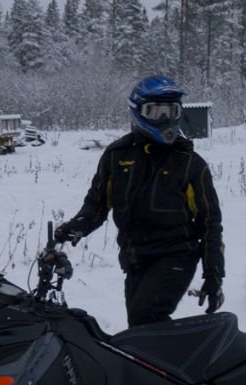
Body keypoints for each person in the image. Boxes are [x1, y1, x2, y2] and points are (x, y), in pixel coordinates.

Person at [55, 75, 224, 328]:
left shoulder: (190, 164)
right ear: (137, 112)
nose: (166, 119)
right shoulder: (116, 156)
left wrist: (213, 275)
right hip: (135, 258)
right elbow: (96, 205)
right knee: (140, 329)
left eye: (172, 111)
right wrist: (72, 228)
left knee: (146, 318)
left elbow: (211, 224)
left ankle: (184, 365)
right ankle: (163, 366)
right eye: (156, 112)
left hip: (177, 256)